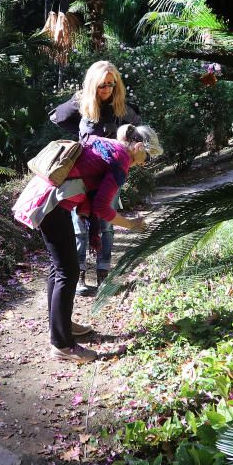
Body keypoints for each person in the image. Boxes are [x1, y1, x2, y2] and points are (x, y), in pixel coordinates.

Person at [14, 125, 163, 363]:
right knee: (67, 271)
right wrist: (131, 224)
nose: (144, 163)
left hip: (44, 197)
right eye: (146, 156)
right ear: (137, 147)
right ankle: (62, 345)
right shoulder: (121, 158)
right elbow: (102, 208)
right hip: (52, 205)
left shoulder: (106, 145)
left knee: (59, 268)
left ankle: (61, 326)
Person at [50, 61, 142, 294]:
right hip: (84, 175)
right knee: (79, 225)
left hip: (110, 175)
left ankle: (104, 275)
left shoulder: (121, 107)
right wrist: (82, 137)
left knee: (106, 225)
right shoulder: (82, 104)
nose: (107, 89)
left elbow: (137, 127)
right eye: (102, 85)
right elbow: (57, 117)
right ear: (93, 84)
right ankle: (79, 275)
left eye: (112, 84)